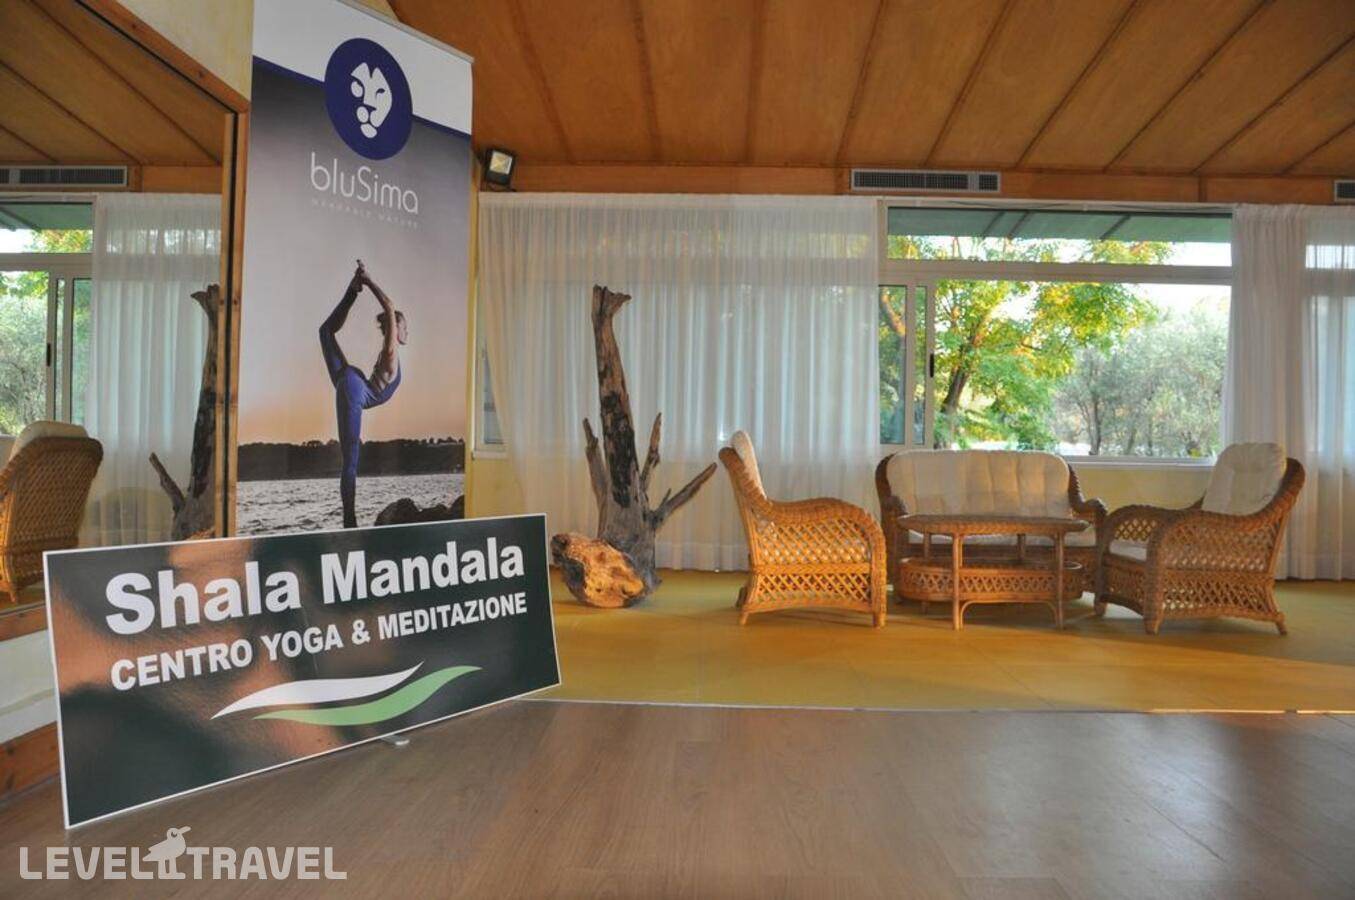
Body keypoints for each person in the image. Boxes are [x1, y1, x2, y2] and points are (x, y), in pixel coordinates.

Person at [318, 260, 407, 527]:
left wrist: (359, 285)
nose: (407, 331)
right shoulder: (390, 354)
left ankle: (351, 291)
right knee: (350, 459)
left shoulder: (390, 356)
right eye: (404, 327)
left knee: (325, 332)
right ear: (395, 329)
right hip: (354, 390)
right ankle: (350, 522)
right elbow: (389, 306)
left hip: (353, 383)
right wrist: (368, 280)